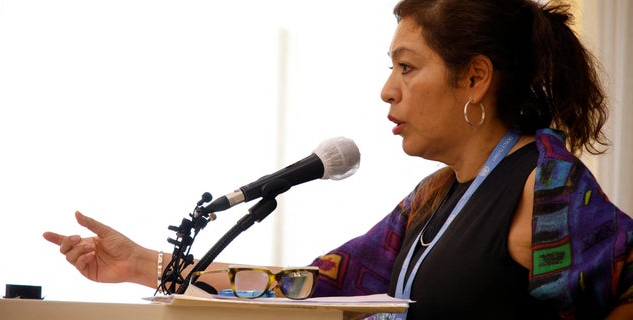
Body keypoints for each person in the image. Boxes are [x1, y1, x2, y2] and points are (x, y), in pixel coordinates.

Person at [43, 0, 633, 319]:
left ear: (474, 77)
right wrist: (146, 264)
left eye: (406, 66)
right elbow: (318, 287)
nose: (387, 90)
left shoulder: (546, 188)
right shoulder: (434, 196)